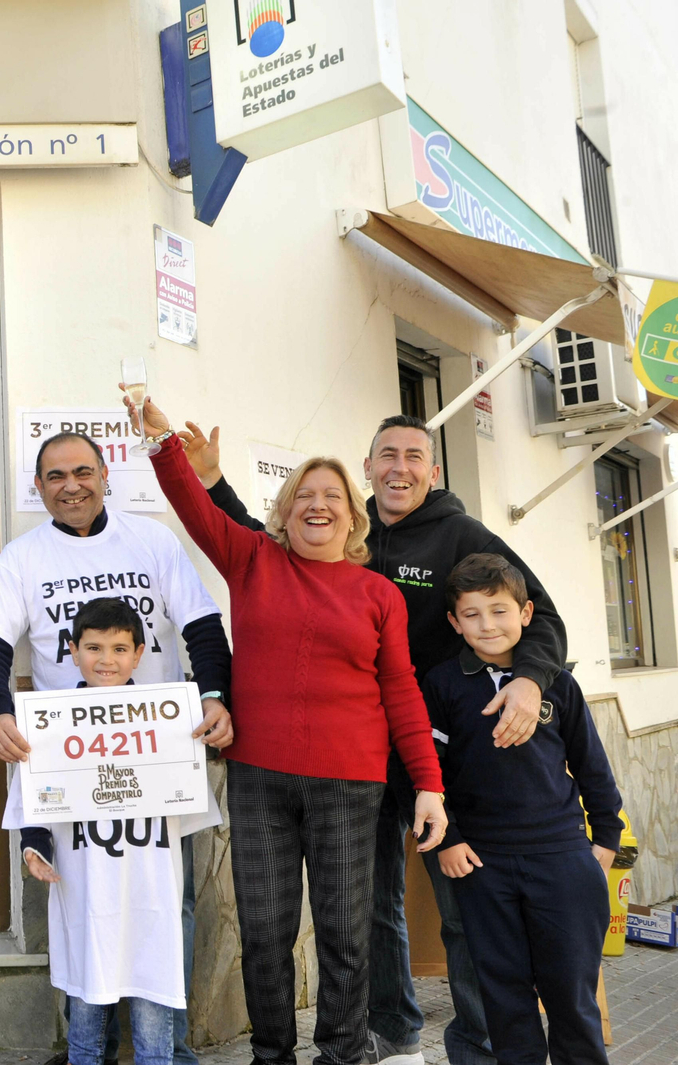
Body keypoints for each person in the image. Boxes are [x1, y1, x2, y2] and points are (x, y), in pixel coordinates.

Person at [181, 415, 566, 1065]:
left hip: (443, 752)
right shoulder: (347, 532)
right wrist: (212, 480)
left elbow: (537, 610)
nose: (400, 467)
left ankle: (482, 1042)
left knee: (463, 906)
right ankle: (391, 1025)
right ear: (368, 465)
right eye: (387, 454)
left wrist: (528, 681)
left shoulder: (462, 537)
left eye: (414, 456)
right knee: (371, 907)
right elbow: (254, 545)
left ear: (433, 471)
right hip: (360, 764)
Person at [130, 392, 447, 1065]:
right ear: (285, 509)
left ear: (352, 515)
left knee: (345, 936)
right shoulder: (251, 561)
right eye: (305, 494)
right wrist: (164, 444)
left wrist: (427, 782)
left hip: (350, 785)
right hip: (260, 781)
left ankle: (341, 1051)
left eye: (332, 495)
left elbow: (400, 690)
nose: (318, 504)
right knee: (267, 933)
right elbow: (192, 505)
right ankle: (272, 1054)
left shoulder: (377, 593)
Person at [0, 430, 233, 1065]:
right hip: (72, 762)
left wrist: (218, 695)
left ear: (105, 475)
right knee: (80, 902)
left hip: (156, 750)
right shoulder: (23, 558)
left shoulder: (150, 539)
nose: (71, 485)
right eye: (55, 476)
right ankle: (86, 1044)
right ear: (38, 487)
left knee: (170, 902)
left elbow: (200, 621)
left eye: (82, 471)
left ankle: (166, 1045)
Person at [9, 598, 224, 1065]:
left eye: (119, 648)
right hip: (86, 892)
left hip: (151, 895)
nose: (107, 660)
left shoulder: (167, 720)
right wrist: (34, 845)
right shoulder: (52, 720)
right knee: (85, 1022)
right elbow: (34, 798)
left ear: (140, 652)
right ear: (72, 649)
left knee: (154, 1027)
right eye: (94, 648)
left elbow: (187, 807)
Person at [425, 554, 620, 1065]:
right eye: (471, 614)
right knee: (505, 1000)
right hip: (482, 865)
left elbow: (593, 767)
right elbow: (425, 773)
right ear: (453, 622)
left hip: (562, 860)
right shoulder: (443, 686)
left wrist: (606, 837)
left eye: (499, 610)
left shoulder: (557, 685)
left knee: (572, 996)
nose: (487, 625)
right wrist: (448, 840)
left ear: (527, 613)